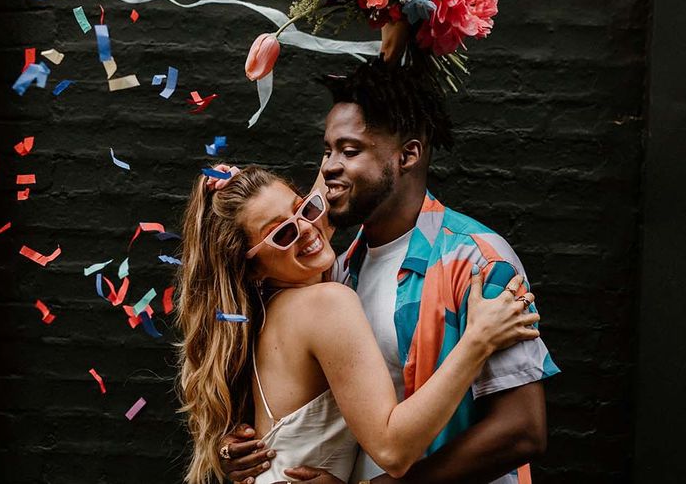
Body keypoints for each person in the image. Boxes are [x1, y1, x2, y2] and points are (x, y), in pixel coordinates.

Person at [219, 59, 560, 484]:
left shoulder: (476, 261)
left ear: (408, 155)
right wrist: (253, 449)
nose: (328, 166)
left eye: (349, 150)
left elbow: (522, 432)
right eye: (327, 150)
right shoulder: (341, 269)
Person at [175, 163, 541, 484]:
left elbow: (318, 202)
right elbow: (393, 450)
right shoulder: (326, 303)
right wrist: (477, 342)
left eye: (305, 208)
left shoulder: (269, 312)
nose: (305, 229)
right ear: (252, 267)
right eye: (282, 233)